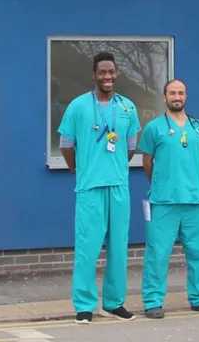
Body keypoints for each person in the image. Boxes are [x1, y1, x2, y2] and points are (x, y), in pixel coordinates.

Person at [58, 52, 141, 325]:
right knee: (87, 248)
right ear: (94, 75)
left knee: (119, 248)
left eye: (111, 72)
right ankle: (84, 305)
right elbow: (65, 145)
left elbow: (130, 146)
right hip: (90, 188)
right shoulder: (78, 106)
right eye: (102, 72)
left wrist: (115, 167)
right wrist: (78, 169)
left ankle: (114, 304)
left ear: (117, 75)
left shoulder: (127, 107)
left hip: (118, 187)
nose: (107, 76)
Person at [138, 79, 199, 319]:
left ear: (186, 96)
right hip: (164, 202)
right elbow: (147, 162)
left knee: (198, 253)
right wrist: (162, 184)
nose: (177, 97)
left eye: (181, 93)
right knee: (158, 254)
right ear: (164, 97)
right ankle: (153, 301)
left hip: (193, 200)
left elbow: (196, 157)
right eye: (172, 93)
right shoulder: (153, 128)